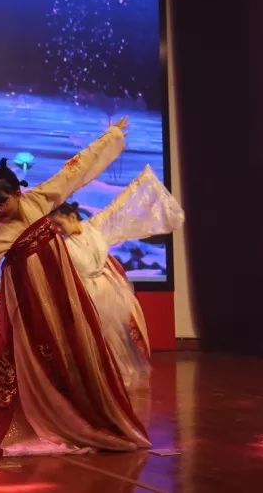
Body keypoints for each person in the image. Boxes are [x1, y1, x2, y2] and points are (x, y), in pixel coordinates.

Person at [0, 119, 150, 457]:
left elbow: (76, 169)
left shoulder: (40, 200)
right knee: (5, 361)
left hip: (64, 298)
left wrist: (111, 137)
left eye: (2, 202)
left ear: (17, 193)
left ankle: (87, 420)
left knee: (75, 357)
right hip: (29, 305)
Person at [50, 164, 184, 389]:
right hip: (85, 295)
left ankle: (118, 378)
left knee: (116, 338)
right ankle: (93, 381)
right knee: (91, 340)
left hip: (107, 291)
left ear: (72, 217)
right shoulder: (62, 245)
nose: (58, 229)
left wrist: (137, 184)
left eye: (59, 224)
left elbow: (117, 207)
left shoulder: (94, 226)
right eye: (55, 226)